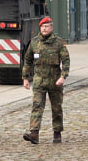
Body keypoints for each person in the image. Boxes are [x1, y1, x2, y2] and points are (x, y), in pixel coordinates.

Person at [20, 14, 70, 144]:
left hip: (54, 81)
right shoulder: (35, 42)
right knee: (37, 106)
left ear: (51, 28)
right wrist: (25, 77)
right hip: (39, 81)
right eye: (43, 26)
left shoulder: (59, 43)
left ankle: (57, 133)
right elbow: (27, 60)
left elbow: (65, 60)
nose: (45, 29)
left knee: (56, 108)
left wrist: (63, 77)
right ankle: (34, 133)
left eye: (47, 26)